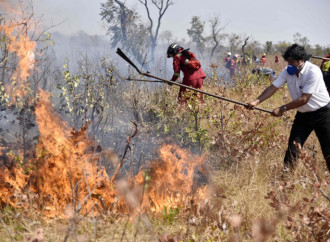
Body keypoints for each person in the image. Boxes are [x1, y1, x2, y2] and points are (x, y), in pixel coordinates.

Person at [246, 44, 330, 171]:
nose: (289, 65)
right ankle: (285, 181)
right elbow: (273, 87)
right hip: (303, 116)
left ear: (301, 60)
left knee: (328, 150)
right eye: (288, 62)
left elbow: (304, 99)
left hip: (322, 114)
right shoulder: (287, 71)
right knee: (292, 150)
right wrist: (256, 101)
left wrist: (282, 108)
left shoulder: (313, 71)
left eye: (292, 62)